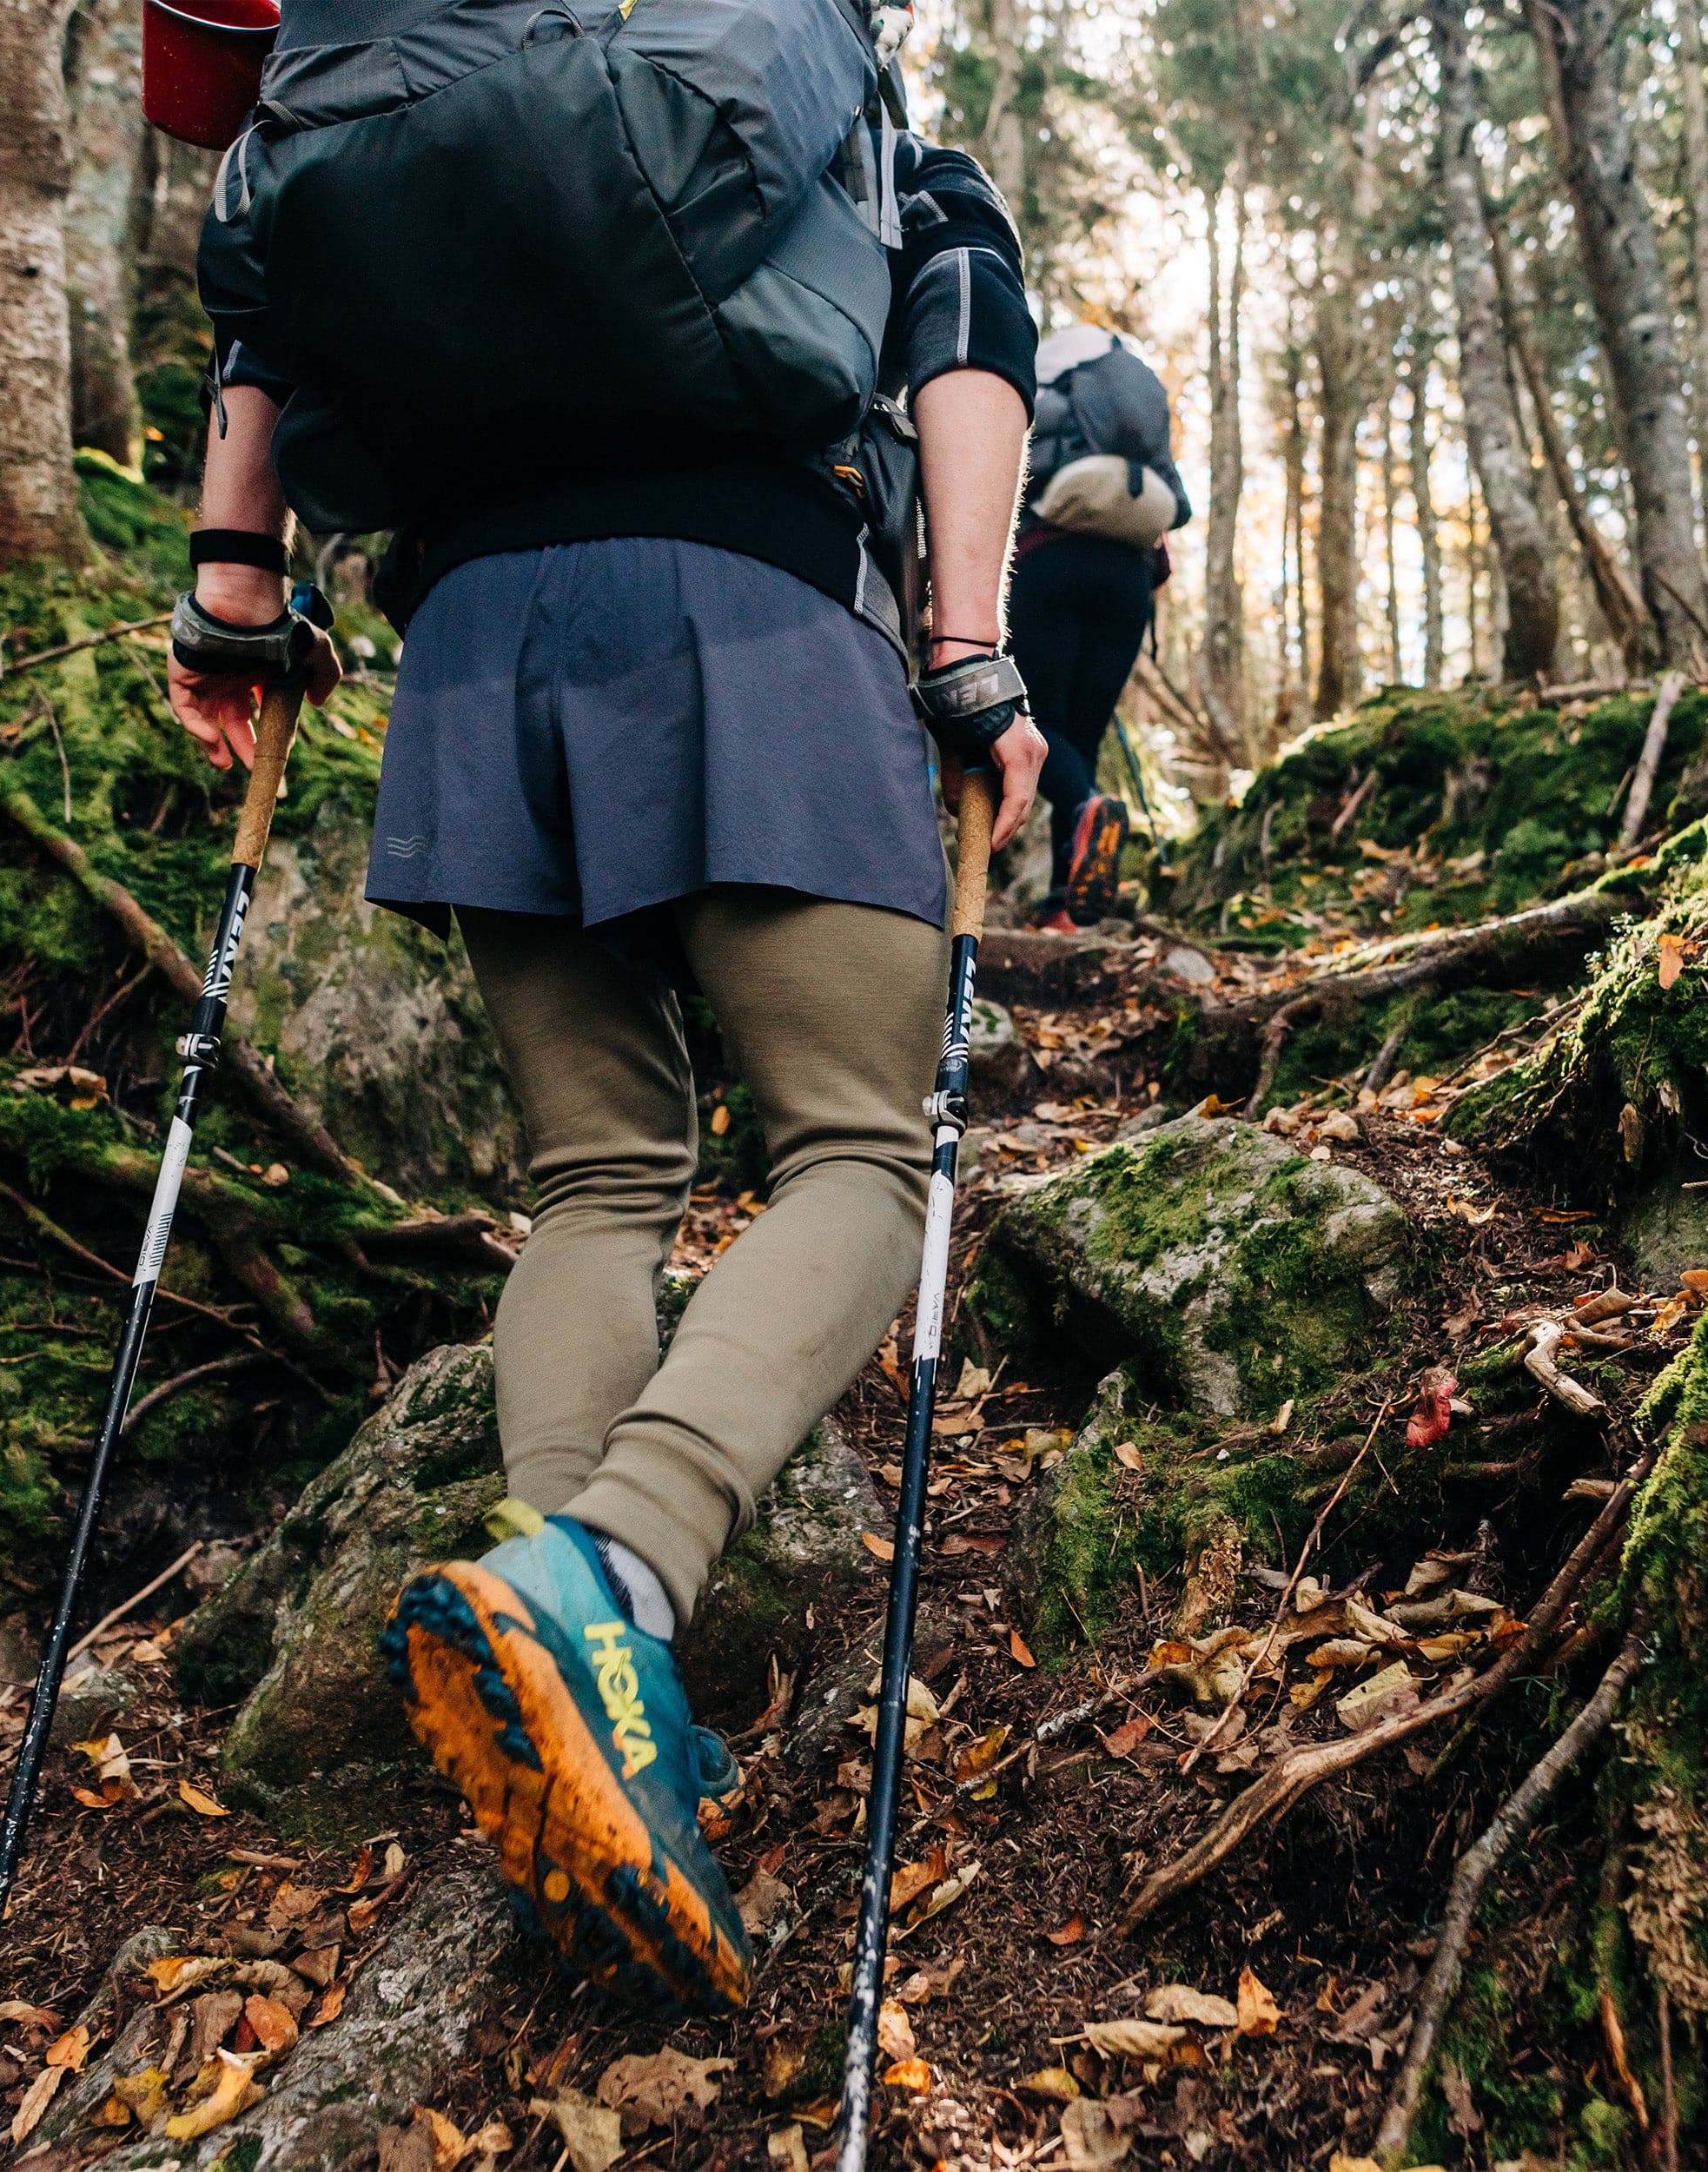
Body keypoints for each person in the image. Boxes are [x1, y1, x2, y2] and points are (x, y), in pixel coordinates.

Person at [166, 128, 1044, 2016]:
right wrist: (969, 652)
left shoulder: (383, 108)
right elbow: (961, 341)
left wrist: (234, 597)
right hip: (749, 598)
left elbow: (258, 321)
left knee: (596, 1176)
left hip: (473, 635)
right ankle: (620, 1571)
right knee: (861, 1152)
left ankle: (582, 1675)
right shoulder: (839, 114)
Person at [1007, 325, 1187, 930]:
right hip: (1126, 581)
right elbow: (1175, 514)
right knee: (1079, 740)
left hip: (1047, 562)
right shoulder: (1133, 402)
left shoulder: (1047, 383)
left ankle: (1087, 807)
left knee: (1043, 725)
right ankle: (1063, 906)